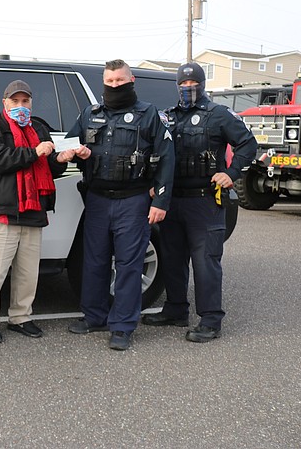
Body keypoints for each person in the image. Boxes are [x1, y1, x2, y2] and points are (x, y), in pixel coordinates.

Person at [142, 62, 257, 342]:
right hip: (173, 200)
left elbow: (248, 144)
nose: (187, 90)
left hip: (205, 202)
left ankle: (210, 320)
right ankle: (176, 310)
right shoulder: (167, 117)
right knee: (172, 258)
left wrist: (231, 173)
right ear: (177, 87)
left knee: (205, 261)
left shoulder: (218, 115)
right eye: (182, 86)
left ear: (202, 86)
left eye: (192, 86)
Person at [65, 59, 174, 351]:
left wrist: (160, 200)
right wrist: (77, 153)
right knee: (95, 260)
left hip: (134, 200)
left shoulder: (149, 114)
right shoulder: (90, 113)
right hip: (97, 199)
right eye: (110, 81)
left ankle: (123, 327)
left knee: (128, 265)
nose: (115, 85)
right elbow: (68, 146)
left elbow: (166, 158)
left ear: (132, 79)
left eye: (120, 81)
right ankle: (94, 317)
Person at [0, 80, 76, 343]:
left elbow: (50, 167)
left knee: (27, 272)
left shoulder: (40, 128)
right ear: (4, 102)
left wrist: (60, 160)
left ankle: (21, 317)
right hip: (1, 212)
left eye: (25, 101)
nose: (21, 106)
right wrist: (35, 152)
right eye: (15, 101)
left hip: (33, 209)